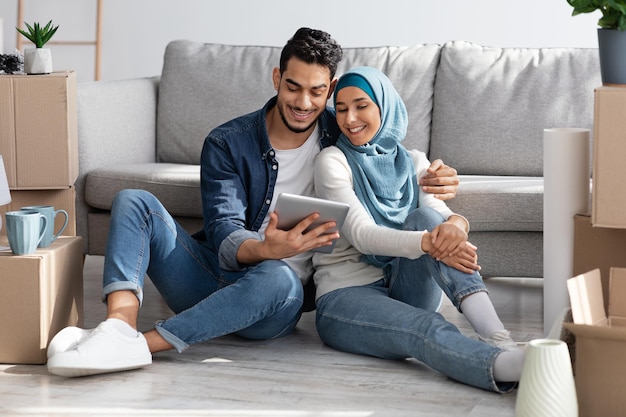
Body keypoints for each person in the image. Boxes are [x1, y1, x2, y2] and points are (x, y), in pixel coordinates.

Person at [45, 28, 460, 378]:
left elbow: (393, 162)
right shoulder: (228, 141)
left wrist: (436, 177)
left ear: (330, 89)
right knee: (134, 200)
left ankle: (144, 347)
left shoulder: (345, 133)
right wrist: (266, 248)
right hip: (211, 277)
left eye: (317, 92)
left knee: (279, 277)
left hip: (279, 299)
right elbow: (224, 228)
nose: (303, 103)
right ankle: (119, 328)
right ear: (277, 77)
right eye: (292, 87)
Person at [312, 66, 525, 392]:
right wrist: (429, 242)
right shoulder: (333, 160)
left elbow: (438, 213)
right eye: (340, 109)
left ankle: (498, 337)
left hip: (404, 284)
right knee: (425, 326)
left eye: (361, 105)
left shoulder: (413, 160)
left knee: (429, 218)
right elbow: (363, 235)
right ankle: (505, 366)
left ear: (384, 106)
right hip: (346, 296)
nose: (349, 118)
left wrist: (456, 224)